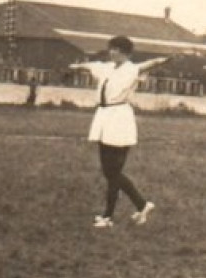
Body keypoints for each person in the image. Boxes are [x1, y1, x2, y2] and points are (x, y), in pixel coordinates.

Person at [69, 37, 168, 229]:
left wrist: (165, 59)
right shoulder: (106, 67)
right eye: (111, 49)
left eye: (117, 50)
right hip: (104, 116)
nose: (112, 53)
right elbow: (90, 65)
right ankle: (141, 205)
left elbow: (151, 64)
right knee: (110, 171)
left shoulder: (132, 69)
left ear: (126, 53)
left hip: (119, 118)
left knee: (112, 172)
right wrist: (75, 67)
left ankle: (109, 216)